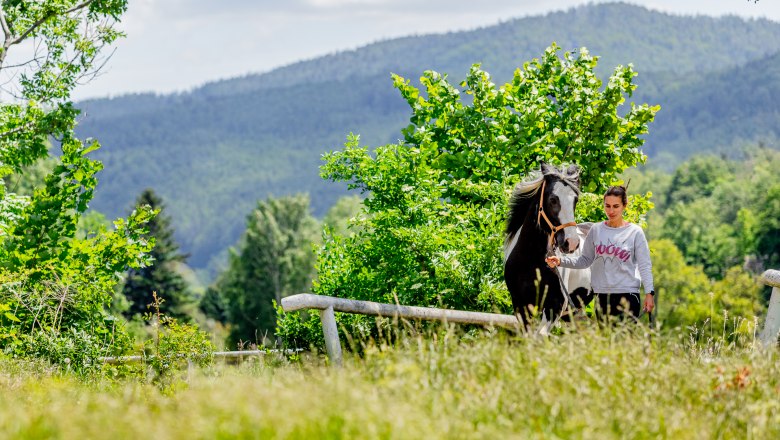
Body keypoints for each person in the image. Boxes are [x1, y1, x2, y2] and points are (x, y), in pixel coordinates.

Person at [545, 185, 655, 320]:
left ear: (624, 206)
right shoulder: (596, 230)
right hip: (601, 297)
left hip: (628, 296)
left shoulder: (635, 232)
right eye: (607, 206)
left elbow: (644, 265)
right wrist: (560, 261)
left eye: (616, 206)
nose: (611, 211)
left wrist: (650, 293)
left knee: (623, 339)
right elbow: (585, 260)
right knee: (606, 340)